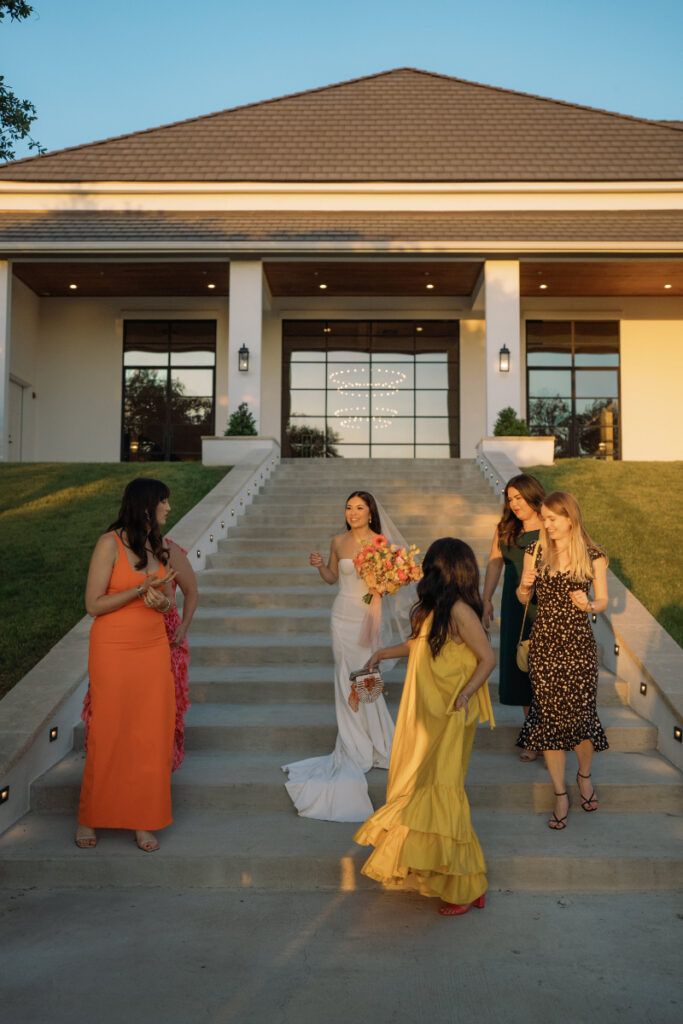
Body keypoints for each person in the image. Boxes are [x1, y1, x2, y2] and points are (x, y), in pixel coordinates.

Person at [353, 538, 496, 917]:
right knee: (419, 786)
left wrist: (466, 693)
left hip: (451, 711)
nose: (424, 572)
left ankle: (466, 886)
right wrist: (384, 652)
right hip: (426, 712)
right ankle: (448, 873)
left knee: (442, 790)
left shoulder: (462, 610)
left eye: (430, 566)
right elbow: (419, 645)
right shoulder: (435, 609)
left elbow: (487, 658)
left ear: (444, 570)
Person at [282, 491, 405, 822]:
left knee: (366, 676)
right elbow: (332, 578)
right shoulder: (338, 541)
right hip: (341, 616)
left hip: (366, 614)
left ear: (370, 513)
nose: (353, 512)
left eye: (360, 508)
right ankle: (352, 743)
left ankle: (375, 738)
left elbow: (391, 583)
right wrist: (321, 566)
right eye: (349, 507)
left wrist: (383, 587)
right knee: (343, 677)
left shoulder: (381, 543)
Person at [75, 478, 177, 852]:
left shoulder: (158, 546)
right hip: (114, 649)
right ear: (146, 505)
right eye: (164, 501)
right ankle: (90, 816)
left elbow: (167, 601)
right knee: (109, 730)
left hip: (153, 648)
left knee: (151, 733)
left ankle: (143, 820)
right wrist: (138, 590)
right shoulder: (109, 543)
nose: (169, 508)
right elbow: (93, 605)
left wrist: (162, 602)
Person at [516, 491, 609, 831]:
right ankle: (560, 794)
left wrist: (588, 604)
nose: (547, 524)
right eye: (544, 518)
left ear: (570, 518)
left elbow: (603, 601)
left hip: (579, 648)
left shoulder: (593, 554)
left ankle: (583, 775)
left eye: (553, 518)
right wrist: (525, 587)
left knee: (582, 717)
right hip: (544, 646)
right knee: (549, 721)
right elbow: (522, 597)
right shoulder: (535, 551)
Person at [80, 537, 198, 772]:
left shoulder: (168, 549)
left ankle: (158, 770)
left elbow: (191, 591)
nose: (166, 513)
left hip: (167, 637)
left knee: (162, 712)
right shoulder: (117, 546)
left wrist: (183, 626)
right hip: (127, 641)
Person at [482, 474, 545, 761]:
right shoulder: (505, 528)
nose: (515, 504)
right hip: (513, 605)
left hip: (543, 605)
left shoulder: (550, 526)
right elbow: (495, 563)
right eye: (510, 499)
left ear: (533, 495)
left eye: (519, 497)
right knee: (521, 666)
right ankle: (534, 734)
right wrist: (486, 599)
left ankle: (545, 734)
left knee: (542, 669)